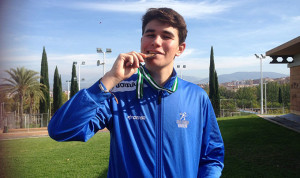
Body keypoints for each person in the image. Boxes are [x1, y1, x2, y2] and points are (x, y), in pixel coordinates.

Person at [48, 7, 224, 178]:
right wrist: (110, 78)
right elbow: (61, 130)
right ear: (142, 41)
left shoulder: (197, 96)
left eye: (166, 36)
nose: (156, 41)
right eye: (150, 34)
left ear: (180, 48)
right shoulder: (117, 92)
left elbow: (212, 154)